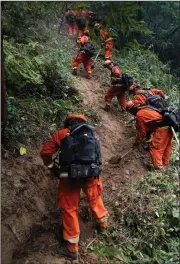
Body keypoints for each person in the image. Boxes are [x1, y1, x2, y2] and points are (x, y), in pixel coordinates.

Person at [40, 114, 109, 260]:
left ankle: (72, 249)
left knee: (69, 208)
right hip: (91, 174)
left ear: (67, 123)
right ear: (84, 123)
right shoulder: (92, 134)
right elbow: (98, 157)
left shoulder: (62, 134)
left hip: (69, 176)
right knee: (95, 197)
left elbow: (45, 153)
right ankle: (103, 225)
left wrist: (54, 169)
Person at [126, 101, 173, 171]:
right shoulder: (146, 108)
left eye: (130, 111)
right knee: (166, 146)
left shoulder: (139, 115)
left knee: (155, 148)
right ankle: (165, 166)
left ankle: (159, 170)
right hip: (169, 127)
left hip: (162, 129)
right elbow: (152, 122)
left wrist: (137, 142)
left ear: (132, 109)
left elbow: (141, 132)